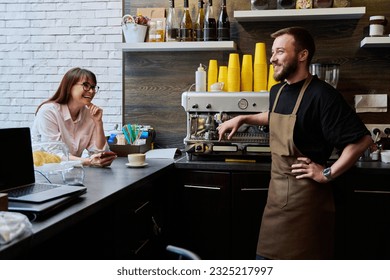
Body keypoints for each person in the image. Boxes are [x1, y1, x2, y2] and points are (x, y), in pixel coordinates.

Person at [217, 26, 373, 260]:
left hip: (305, 203)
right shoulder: (278, 91)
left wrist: (327, 173)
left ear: (302, 55)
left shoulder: (323, 95)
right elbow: (275, 115)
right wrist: (243, 118)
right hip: (277, 197)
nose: (272, 59)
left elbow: (362, 140)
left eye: (279, 52)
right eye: (272, 53)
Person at [32, 67, 117, 167]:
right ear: (69, 86)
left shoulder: (90, 115)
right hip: (43, 173)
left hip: (72, 173)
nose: (91, 91)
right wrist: (88, 161)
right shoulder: (48, 111)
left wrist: (98, 122)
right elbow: (54, 154)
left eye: (93, 87)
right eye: (86, 85)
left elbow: (100, 153)